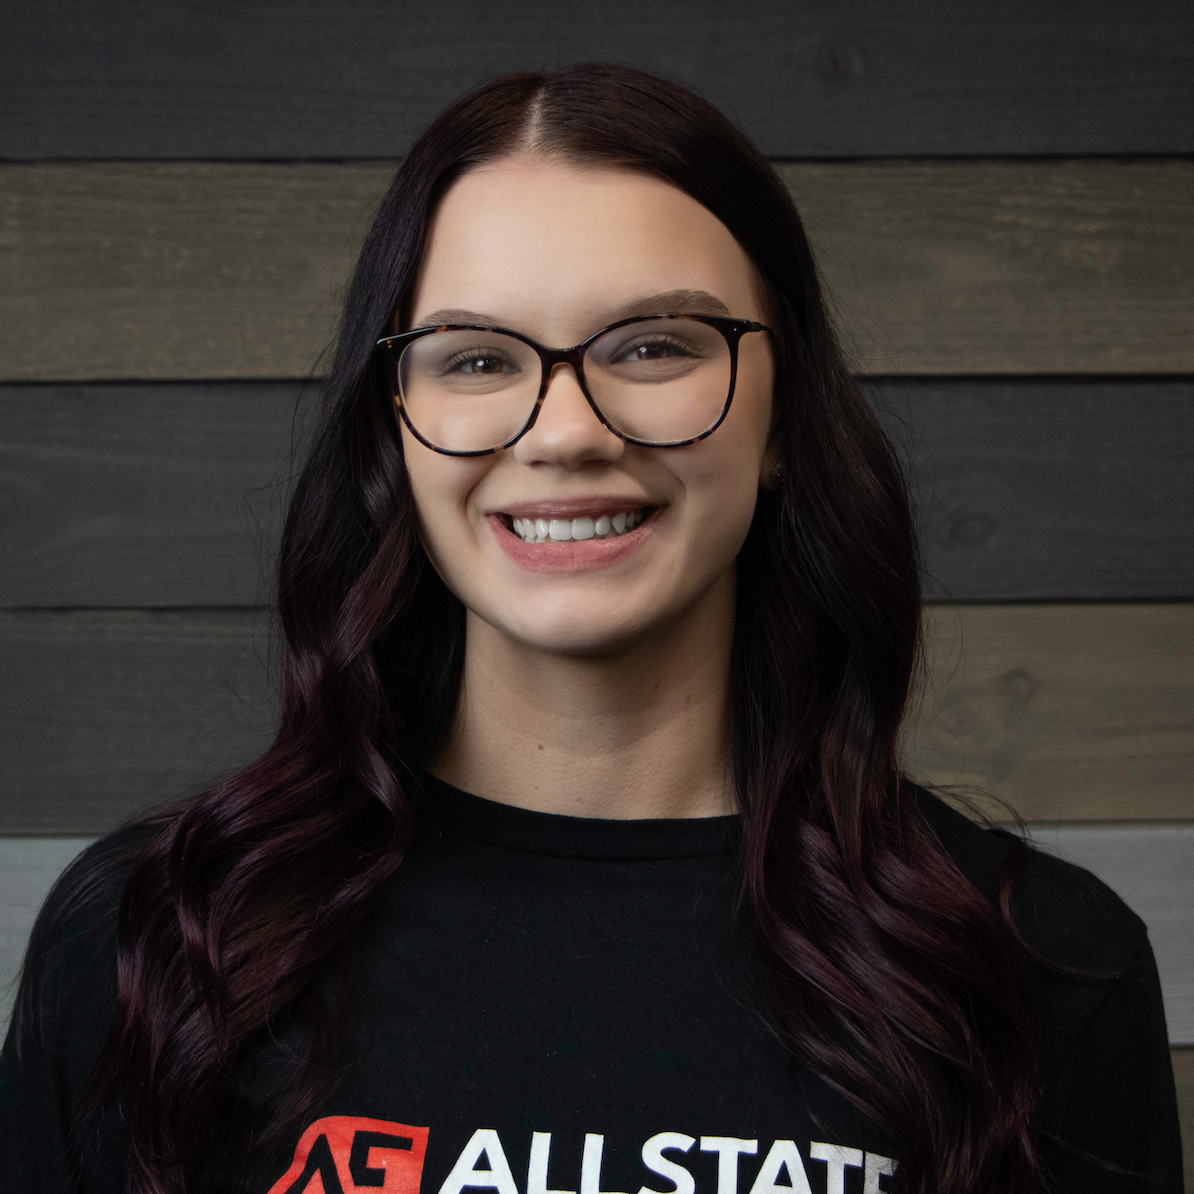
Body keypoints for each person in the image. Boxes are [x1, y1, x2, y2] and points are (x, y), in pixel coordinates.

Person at [0, 63, 1182, 1194]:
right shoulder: (158, 936)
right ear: (394, 430)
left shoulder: (1035, 966)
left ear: (783, 419)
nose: (564, 432)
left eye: (655, 345)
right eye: (474, 357)